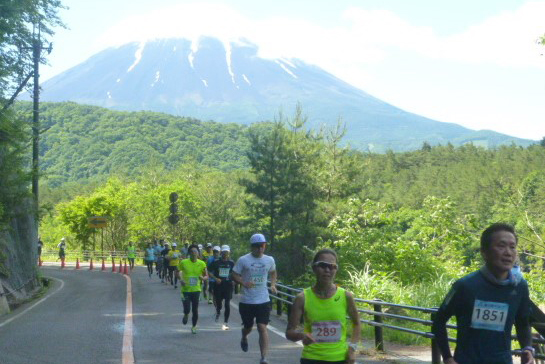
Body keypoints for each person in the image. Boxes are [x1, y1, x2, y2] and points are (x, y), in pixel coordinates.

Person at [432, 223, 534, 364]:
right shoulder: (465, 286)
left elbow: (523, 322)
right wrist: (447, 358)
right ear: (484, 252)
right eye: (501, 246)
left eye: (512, 247)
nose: (508, 252)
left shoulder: (519, 286)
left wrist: (528, 348)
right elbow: (438, 321)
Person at [286, 249, 361, 364]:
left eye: (332, 266)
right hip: (311, 359)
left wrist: (352, 349)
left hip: (339, 359)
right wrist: (302, 335)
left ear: (336, 270)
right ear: (314, 268)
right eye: (322, 265)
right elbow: (289, 332)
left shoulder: (346, 296)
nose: (327, 270)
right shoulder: (302, 298)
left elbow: (356, 323)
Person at [232, 233, 277, 364]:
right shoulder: (243, 260)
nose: (260, 249)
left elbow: (273, 272)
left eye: (262, 246)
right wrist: (243, 282)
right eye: (257, 246)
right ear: (252, 247)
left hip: (263, 299)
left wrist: (273, 284)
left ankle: (263, 358)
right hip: (247, 301)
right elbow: (234, 275)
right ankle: (244, 336)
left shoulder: (269, 260)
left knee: (262, 327)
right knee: (248, 326)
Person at [177, 244, 208, 334]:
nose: (193, 253)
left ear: (198, 253)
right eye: (191, 252)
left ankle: (194, 326)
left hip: (196, 290)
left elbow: (206, 276)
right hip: (185, 290)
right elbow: (177, 272)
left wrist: (203, 278)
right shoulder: (183, 262)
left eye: (195, 251)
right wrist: (181, 279)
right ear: (189, 253)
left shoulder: (202, 263)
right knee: (187, 309)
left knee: (195, 309)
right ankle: (186, 314)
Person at [209, 244, 235, 330]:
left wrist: (234, 280)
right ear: (221, 253)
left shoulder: (231, 263)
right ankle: (218, 311)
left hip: (228, 286)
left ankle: (225, 322)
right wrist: (215, 278)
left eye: (227, 252)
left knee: (227, 304)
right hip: (218, 286)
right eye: (224, 252)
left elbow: (234, 273)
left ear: (229, 253)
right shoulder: (216, 262)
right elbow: (208, 271)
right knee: (219, 303)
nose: (225, 254)